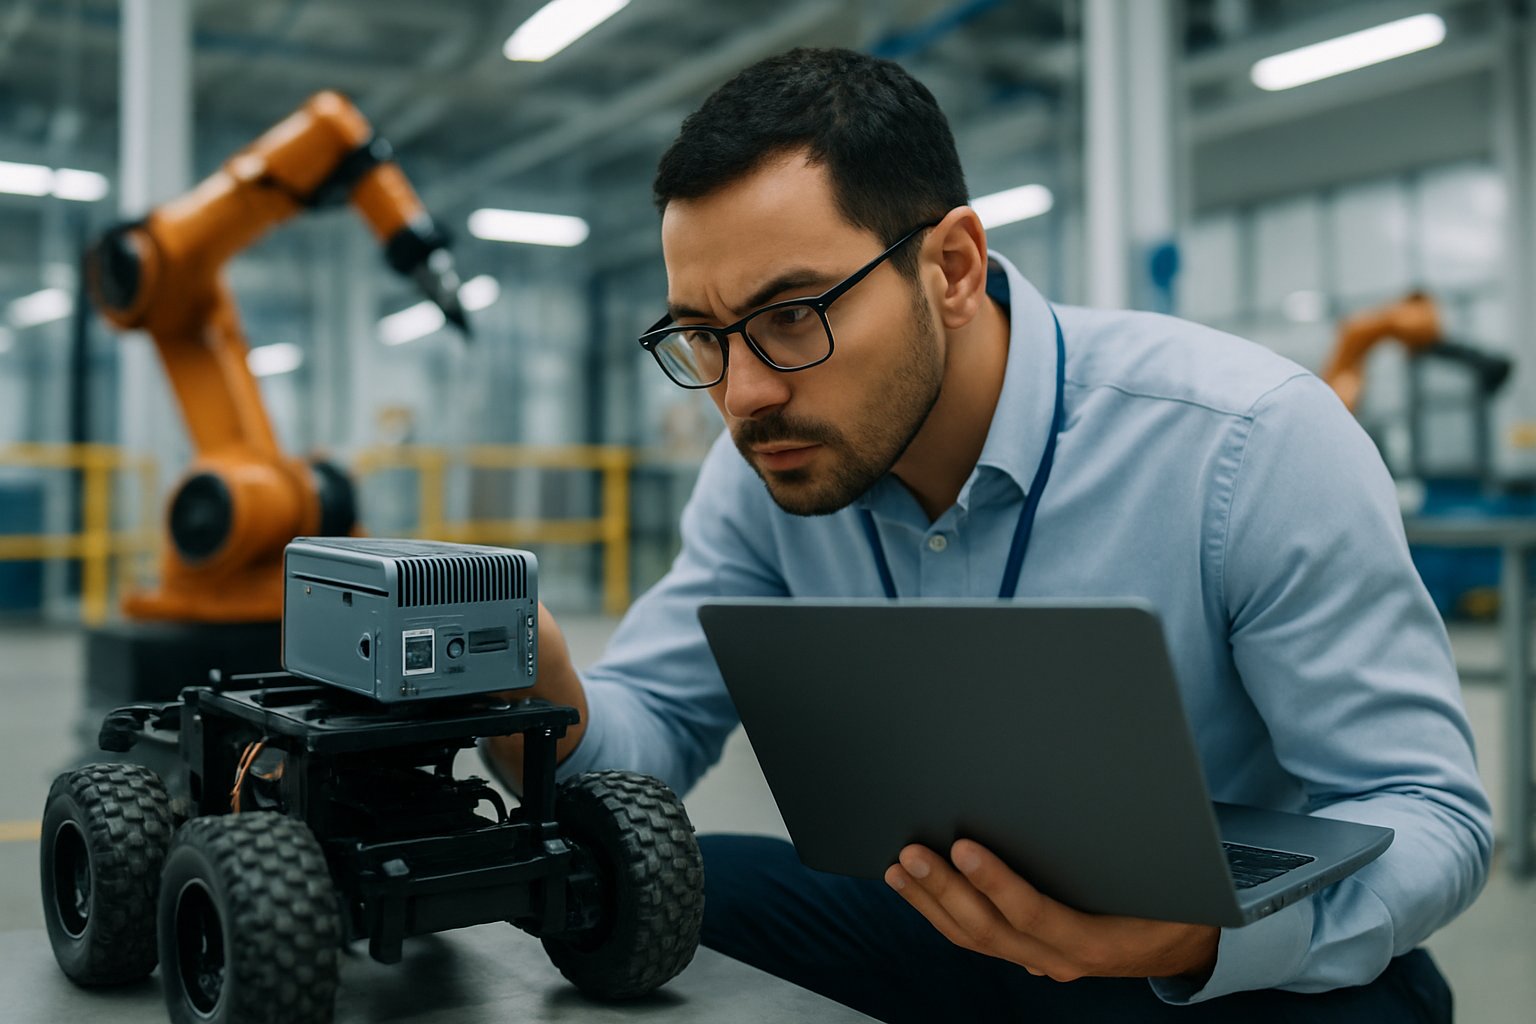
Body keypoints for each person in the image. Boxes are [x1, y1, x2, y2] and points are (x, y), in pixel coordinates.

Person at [486, 47, 1491, 1022]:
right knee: (653, 899)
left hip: (1220, 969)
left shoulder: (1246, 444)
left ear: (954, 267)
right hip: (946, 923)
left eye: (792, 315)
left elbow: (1430, 815)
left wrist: (1196, 937)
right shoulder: (768, 467)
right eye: (702, 336)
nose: (743, 393)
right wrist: (541, 703)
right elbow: (649, 735)